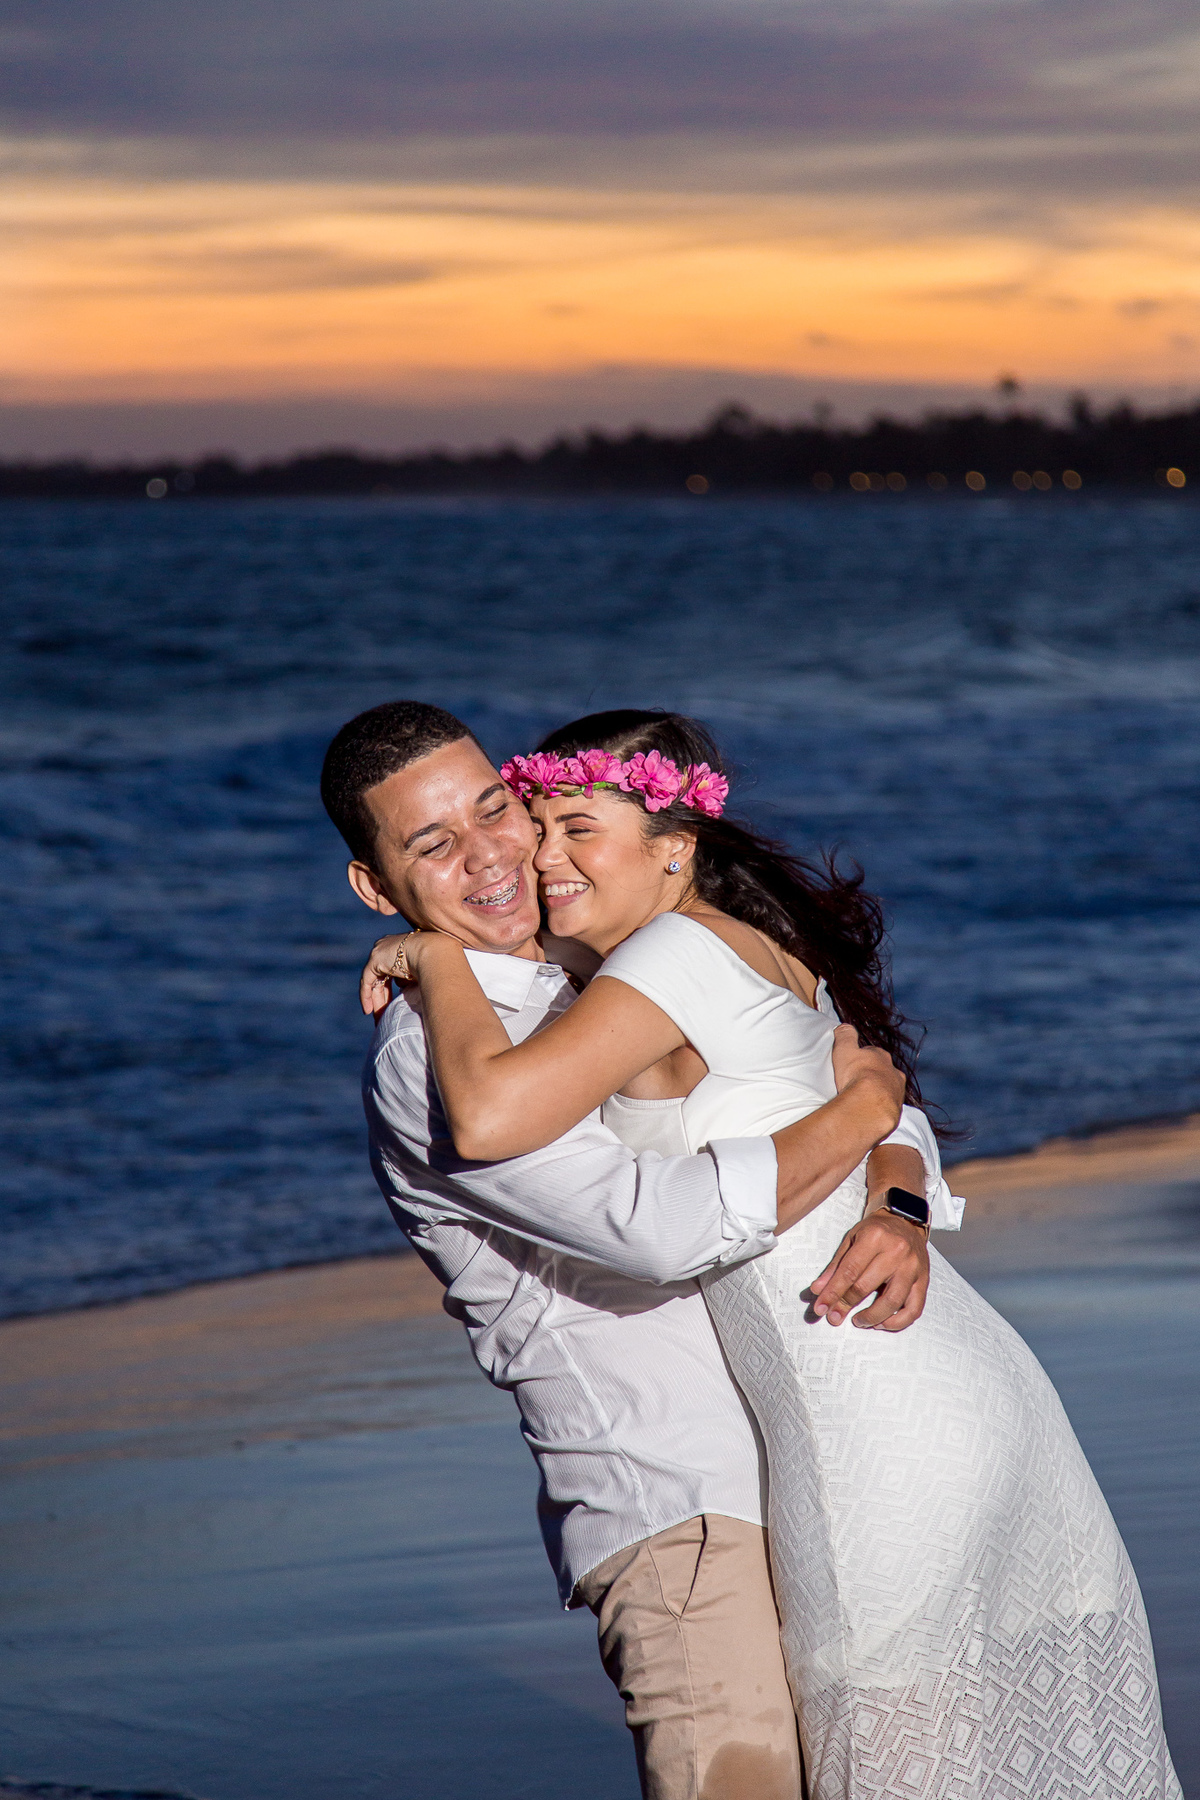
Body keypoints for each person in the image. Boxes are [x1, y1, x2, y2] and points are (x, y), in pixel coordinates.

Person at [370, 707, 1181, 1800]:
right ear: (375, 883)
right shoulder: (546, 994)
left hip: (857, 1413)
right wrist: (875, 1148)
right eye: (530, 824)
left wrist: (888, 1184)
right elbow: (838, 1087)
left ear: (674, 849)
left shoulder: (647, 958)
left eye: (539, 823)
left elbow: (565, 1139)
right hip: (841, 1420)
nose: (528, 856)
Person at [322, 699, 956, 1800]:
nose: (490, 857)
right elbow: (663, 1229)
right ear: (378, 888)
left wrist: (895, 1188)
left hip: (809, 1468)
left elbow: (820, 1061)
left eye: (494, 812)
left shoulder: (580, 971)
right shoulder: (432, 1058)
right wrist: (857, 1121)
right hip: (675, 1506)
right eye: (432, 845)